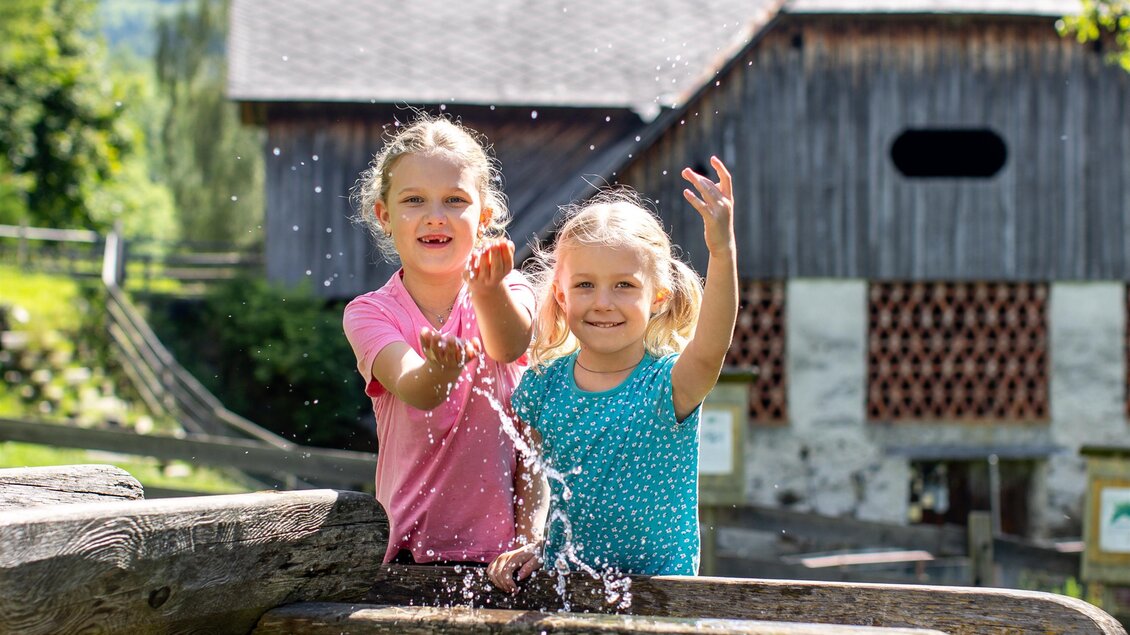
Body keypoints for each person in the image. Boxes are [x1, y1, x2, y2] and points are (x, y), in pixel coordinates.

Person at [487, 156, 738, 591]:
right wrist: (534, 543)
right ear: (562, 297)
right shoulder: (544, 386)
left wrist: (722, 249)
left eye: (624, 285)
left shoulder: (669, 385)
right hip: (567, 590)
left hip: (663, 598)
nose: (603, 301)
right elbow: (535, 478)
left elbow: (713, 342)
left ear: (658, 297)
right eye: (585, 285)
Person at [342, 114, 539, 565]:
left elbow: (509, 346)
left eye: (455, 200)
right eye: (414, 200)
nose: (436, 217)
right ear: (385, 215)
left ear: (483, 215)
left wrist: (488, 292)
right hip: (407, 555)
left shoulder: (512, 291)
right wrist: (440, 370)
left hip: (501, 561)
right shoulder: (371, 313)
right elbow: (417, 388)